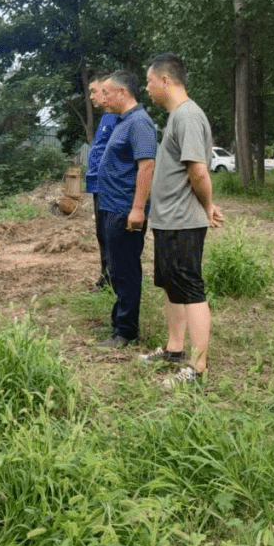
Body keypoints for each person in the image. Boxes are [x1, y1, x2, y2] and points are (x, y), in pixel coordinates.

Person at [139, 53, 224, 386]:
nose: (146, 89)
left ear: (164, 80)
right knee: (172, 286)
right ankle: (175, 350)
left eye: (148, 82)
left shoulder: (187, 115)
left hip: (183, 221)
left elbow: (198, 170)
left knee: (191, 289)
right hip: (167, 221)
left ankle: (198, 368)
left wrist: (208, 206)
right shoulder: (177, 117)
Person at [94, 69, 157, 349]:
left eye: (107, 91)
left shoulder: (140, 123)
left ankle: (126, 332)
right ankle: (118, 323)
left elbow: (147, 166)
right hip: (112, 206)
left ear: (122, 92)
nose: (103, 97)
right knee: (116, 268)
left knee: (126, 270)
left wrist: (137, 209)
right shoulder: (123, 121)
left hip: (124, 209)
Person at [85, 73, 118, 292]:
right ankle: (104, 276)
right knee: (100, 235)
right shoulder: (106, 118)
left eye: (95, 91)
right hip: (98, 186)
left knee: (109, 235)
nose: (92, 96)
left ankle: (112, 279)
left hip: (108, 187)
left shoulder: (118, 118)